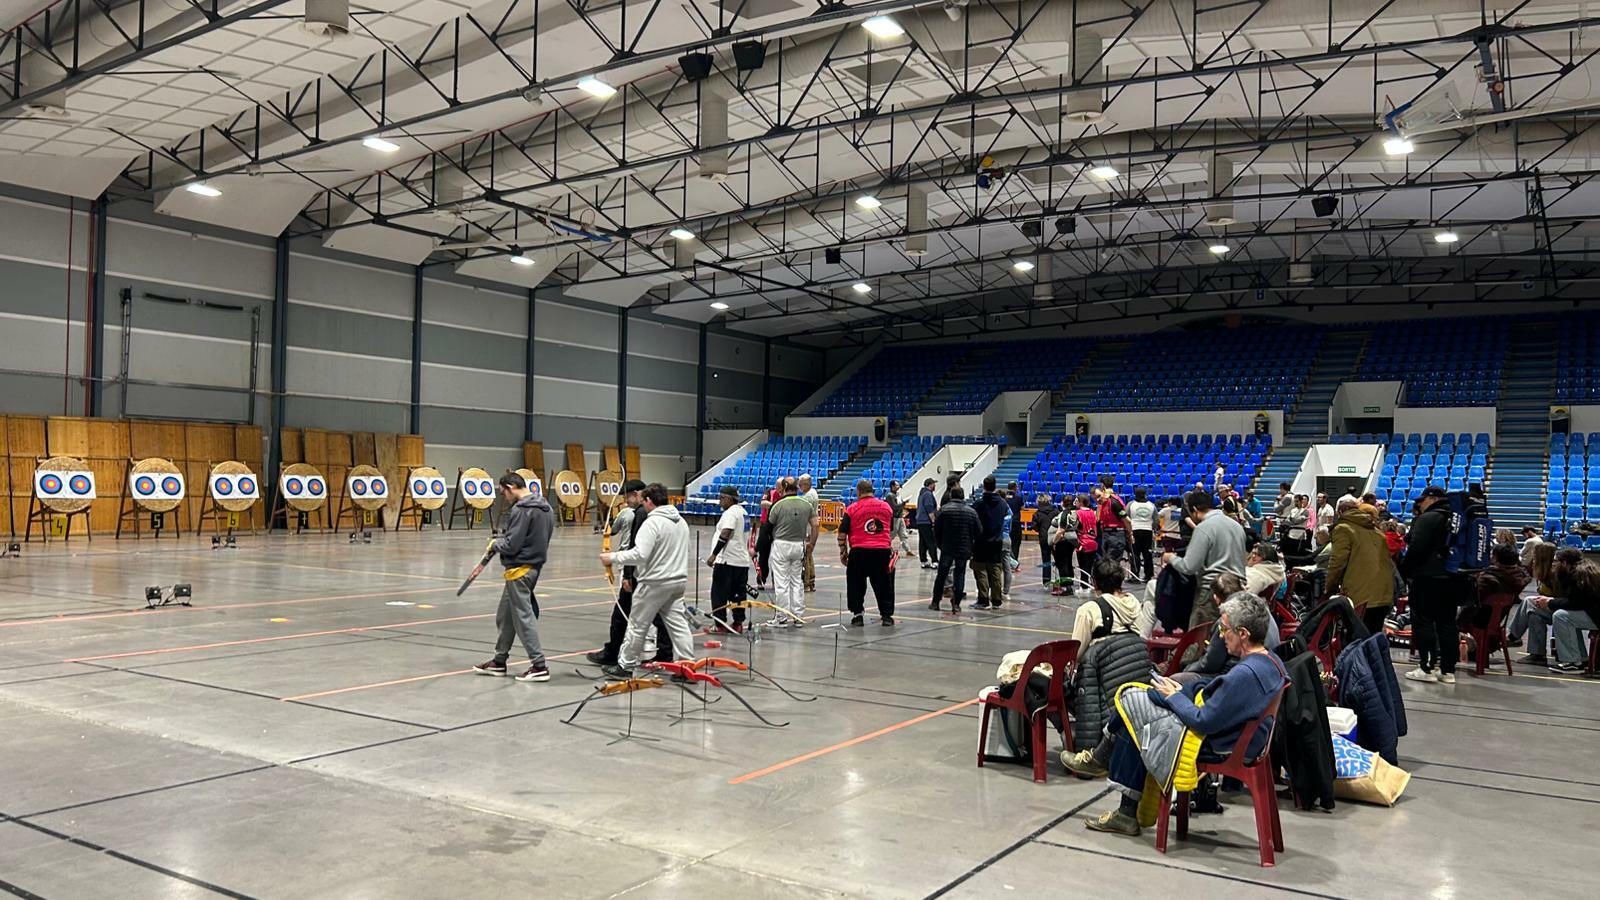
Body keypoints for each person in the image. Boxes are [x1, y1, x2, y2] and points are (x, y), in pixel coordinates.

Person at [1065, 594, 1286, 838]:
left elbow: (1203, 720)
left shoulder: (1244, 674)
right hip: (1244, 739)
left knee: (1132, 702)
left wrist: (1174, 697)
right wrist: (1183, 692)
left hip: (1221, 744)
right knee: (1139, 708)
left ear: (1243, 633)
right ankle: (1116, 792)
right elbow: (1220, 701)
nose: (1221, 635)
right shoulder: (1271, 662)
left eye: (1225, 629)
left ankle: (1107, 769)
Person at [598, 483, 697, 678]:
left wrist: (613, 557)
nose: (642, 505)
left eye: (644, 501)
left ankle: (625, 666)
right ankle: (687, 666)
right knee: (678, 625)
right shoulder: (681, 522)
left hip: (654, 583)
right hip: (678, 581)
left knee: (637, 625)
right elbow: (687, 550)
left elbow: (640, 554)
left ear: (649, 501)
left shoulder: (652, 523)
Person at [472, 471, 557, 682]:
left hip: (520, 571)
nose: (504, 498)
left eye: (503, 493)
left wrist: (495, 544)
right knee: (506, 616)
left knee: (522, 619)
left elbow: (511, 544)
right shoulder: (546, 507)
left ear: (511, 488)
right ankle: (499, 661)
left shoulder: (521, 509)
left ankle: (539, 666)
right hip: (531, 568)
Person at [586, 479, 672, 668]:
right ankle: (665, 653)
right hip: (655, 572)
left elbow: (636, 547)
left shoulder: (641, 514)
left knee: (625, 615)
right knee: (659, 615)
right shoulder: (660, 515)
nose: (625, 501)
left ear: (636, 495)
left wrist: (627, 575)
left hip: (639, 574)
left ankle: (616, 655)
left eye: (627, 497)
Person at [1399, 486, 1465, 684]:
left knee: (1423, 621)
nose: (1420, 504)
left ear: (1433, 499)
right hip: (1453, 577)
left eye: (1423, 500)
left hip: (1427, 578)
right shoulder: (1457, 518)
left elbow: (1416, 549)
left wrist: (1404, 572)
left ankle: (1426, 667)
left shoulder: (1428, 518)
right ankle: (1448, 670)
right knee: (1447, 623)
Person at [1164, 489, 1246, 631]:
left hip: (1212, 592)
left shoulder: (1203, 528)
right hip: (1238, 590)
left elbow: (1189, 567)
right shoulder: (1236, 526)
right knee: (1229, 635)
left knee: (1199, 636)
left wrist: (1170, 558)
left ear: (1195, 510)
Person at [1176, 579, 1280, 685]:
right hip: (1259, 666)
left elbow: (1211, 663)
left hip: (1229, 673)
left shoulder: (1230, 620)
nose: (1221, 636)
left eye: (1223, 630)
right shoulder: (1260, 610)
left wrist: (1187, 669)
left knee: (1177, 679)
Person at [1325, 501, 1394, 634]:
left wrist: (1330, 587)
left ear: (1340, 512)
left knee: (1357, 640)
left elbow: (1337, 562)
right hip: (1384, 593)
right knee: (1374, 638)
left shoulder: (1343, 528)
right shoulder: (1377, 531)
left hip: (1361, 595)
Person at [839, 479, 896, 627]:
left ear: (858, 492)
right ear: (873, 491)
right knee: (884, 584)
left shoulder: (852, 509)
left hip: (859, 551)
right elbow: (890, 529)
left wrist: (843, 552)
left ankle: (858, 615)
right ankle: (886, 616)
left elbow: (842, 532)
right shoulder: (886, 507)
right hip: (881, 551)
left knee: (856, 584)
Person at [766, 477, 816, 627]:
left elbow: (768, 527)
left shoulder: (778, 505)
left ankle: (781, 617)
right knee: (797, 581)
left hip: (781, 545)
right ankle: (798, 616)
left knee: (781, 582)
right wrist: (811, 544)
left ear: (784, 488)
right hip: (799, 545)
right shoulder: (806, 504)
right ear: (797, 488)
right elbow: (815, 525)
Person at [1542, 550, 1600, 672]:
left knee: (1561, 616)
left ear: (1564, 563)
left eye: (1555, 561)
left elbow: (1575, 603)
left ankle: (1573, 661)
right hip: (1592, 613)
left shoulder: (1578, 575)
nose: (1553, 564)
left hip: (1596, 616)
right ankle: (1581, 658)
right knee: (1567, 616)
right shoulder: (1581, 571)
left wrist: (1550, 602)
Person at [705, 484, 751, 634]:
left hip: (727, 561)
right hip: (741, 561)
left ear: (729, 499)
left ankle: (719, 624)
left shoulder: (730, 513)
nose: (720, 501)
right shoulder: (743, 512)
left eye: (722, 498)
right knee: (738, 594)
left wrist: (714, 554)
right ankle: (738, 623)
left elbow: (726, 533)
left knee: (719, 593)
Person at [1071, 558, 1145, 650]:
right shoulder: (1134, 603)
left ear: (1094, 582)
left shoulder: (1088, 610)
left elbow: (1076, 651)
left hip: (1105, 659)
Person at [930, 486, 979, 611]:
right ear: (963, 496)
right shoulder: (971, 512)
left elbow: (936, 530)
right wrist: (970, 545)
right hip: (964, 548)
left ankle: (935, 602)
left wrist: (940, 544)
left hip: (947, 547)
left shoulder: (944, 510)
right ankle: (956, 603)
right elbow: (978, 531)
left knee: (942, 575)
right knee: (960, 575)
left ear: (951, 496)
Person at [1513, 542, 1559, 659]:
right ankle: (1537, 654)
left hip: (1559, 609)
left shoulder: (1556, 575)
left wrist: (1547, 601)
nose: (1533, 559)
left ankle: (1513, 636)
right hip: (1549, 608)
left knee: (1529, 601)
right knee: (1534, 615)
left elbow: (1562, 599)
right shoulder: (1543, 573)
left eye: (1534, 556)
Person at [972, 476, 1010, 609]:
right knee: (995, 570)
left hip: (981, 542)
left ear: (984, 486)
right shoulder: (1003, 503)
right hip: (997, 541)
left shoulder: (979, 503)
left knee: (980, 570)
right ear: (995, 486)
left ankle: (983, 599)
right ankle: (996, 599)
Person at [754, 476, 781, 591]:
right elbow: (763, 503)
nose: (779, 488)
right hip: (766, 525)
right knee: (763, 555)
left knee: (778, 556)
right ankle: (761, 578)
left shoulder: (785, 495)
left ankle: (777, 580)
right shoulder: (769, 492)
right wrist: (775, 505)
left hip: (778, 527)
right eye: (778, 485)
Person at [1096, 474, 1130, 563]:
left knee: (1111, 563)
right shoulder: (1105, 501)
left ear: (1103, 485)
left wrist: (1130, 534)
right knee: (1108, 563)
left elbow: (1126, 519)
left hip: (1115, 535)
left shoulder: (1114, 501)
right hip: (1107, 534)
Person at [1127, 487, 1157, 581]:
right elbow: (1156, 519)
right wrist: (1152, 528)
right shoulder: (1151, 505)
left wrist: (1128, 531)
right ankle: (1149, 575)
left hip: (1135, 530)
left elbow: (1126, 517)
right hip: (1147, 530)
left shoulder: (1131, 504)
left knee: (1135, 553)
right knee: (1147, 554)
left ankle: (1135, 575)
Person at [798, 473, 820, 593]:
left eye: (800, 484)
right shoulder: (814, 493)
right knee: (809, 556)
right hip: (810, 528)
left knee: (805, 558)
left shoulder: (807, 497)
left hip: (807, 528)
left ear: (806, 484)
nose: (799, 487)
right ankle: (811, 581)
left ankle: (806, 583)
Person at [1034, 493, 1058, 585]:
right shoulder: (1056, 511)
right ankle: (1058, 579)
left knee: (1046, 560)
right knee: (1059, 560)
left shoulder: (1037, 514)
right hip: (1055, 538)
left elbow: (1035, 527)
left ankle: (1046, 581)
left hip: (1044, 538)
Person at [915, 477, 939, 568]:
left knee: (923, 542)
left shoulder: (921, 493)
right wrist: (933, 521)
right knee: (931, 541)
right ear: (930, 484)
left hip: (920, 521)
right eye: (934, 484)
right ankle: (934, 561)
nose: (935, 485)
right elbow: (929, 508)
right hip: (926, 521)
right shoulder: (928, 494)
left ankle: (924, 560)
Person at [886, 479, 912, 555]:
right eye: (897, 485)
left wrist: (903, 504)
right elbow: (894, 507)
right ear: (892, 486)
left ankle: (908, 550)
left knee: (903, 533)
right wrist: (903, 503)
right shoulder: (889, 496)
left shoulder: (898, 494)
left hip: (900, 517)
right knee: (892, 534)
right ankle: (886, 547)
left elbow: (899, 505)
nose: (898, 486)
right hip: (894, 518)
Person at [1007, 481, 1025, 560]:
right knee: (1016, 542)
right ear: (1015, 488)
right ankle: (1014, 561)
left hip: (1006, 523)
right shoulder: (1018, 498)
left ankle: (1007, 560)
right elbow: (1022, 508)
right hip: (1016, 522)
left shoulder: (1003, 498)